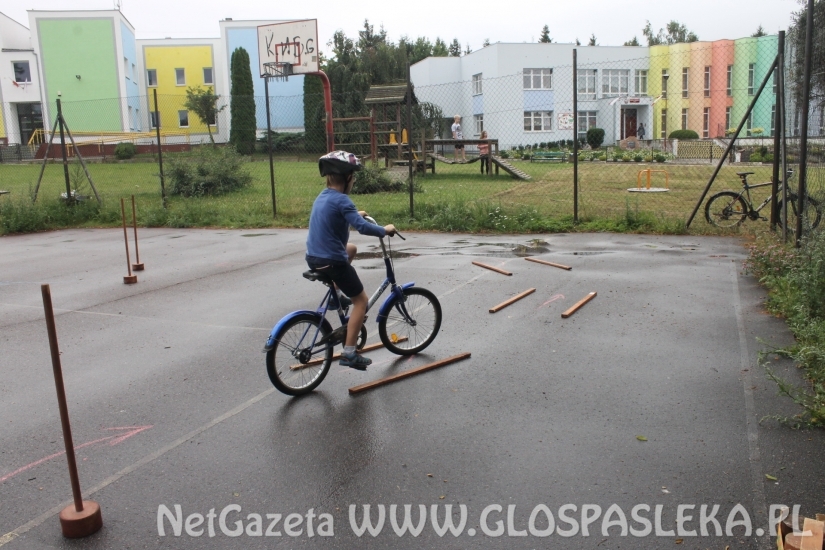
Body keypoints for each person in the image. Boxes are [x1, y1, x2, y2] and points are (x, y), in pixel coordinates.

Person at [307, 151, 396, 370]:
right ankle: (349, 353)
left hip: (314, 257)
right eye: (353, 177)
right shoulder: (343, 201)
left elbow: (340, 215)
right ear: (347, 178)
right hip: (332, 262)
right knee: (361, 301)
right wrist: (384, 230)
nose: (354, 180)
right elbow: (363, 227)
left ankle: (335, 296)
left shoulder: (324, 196)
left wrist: (356, 213)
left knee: (351, 248)